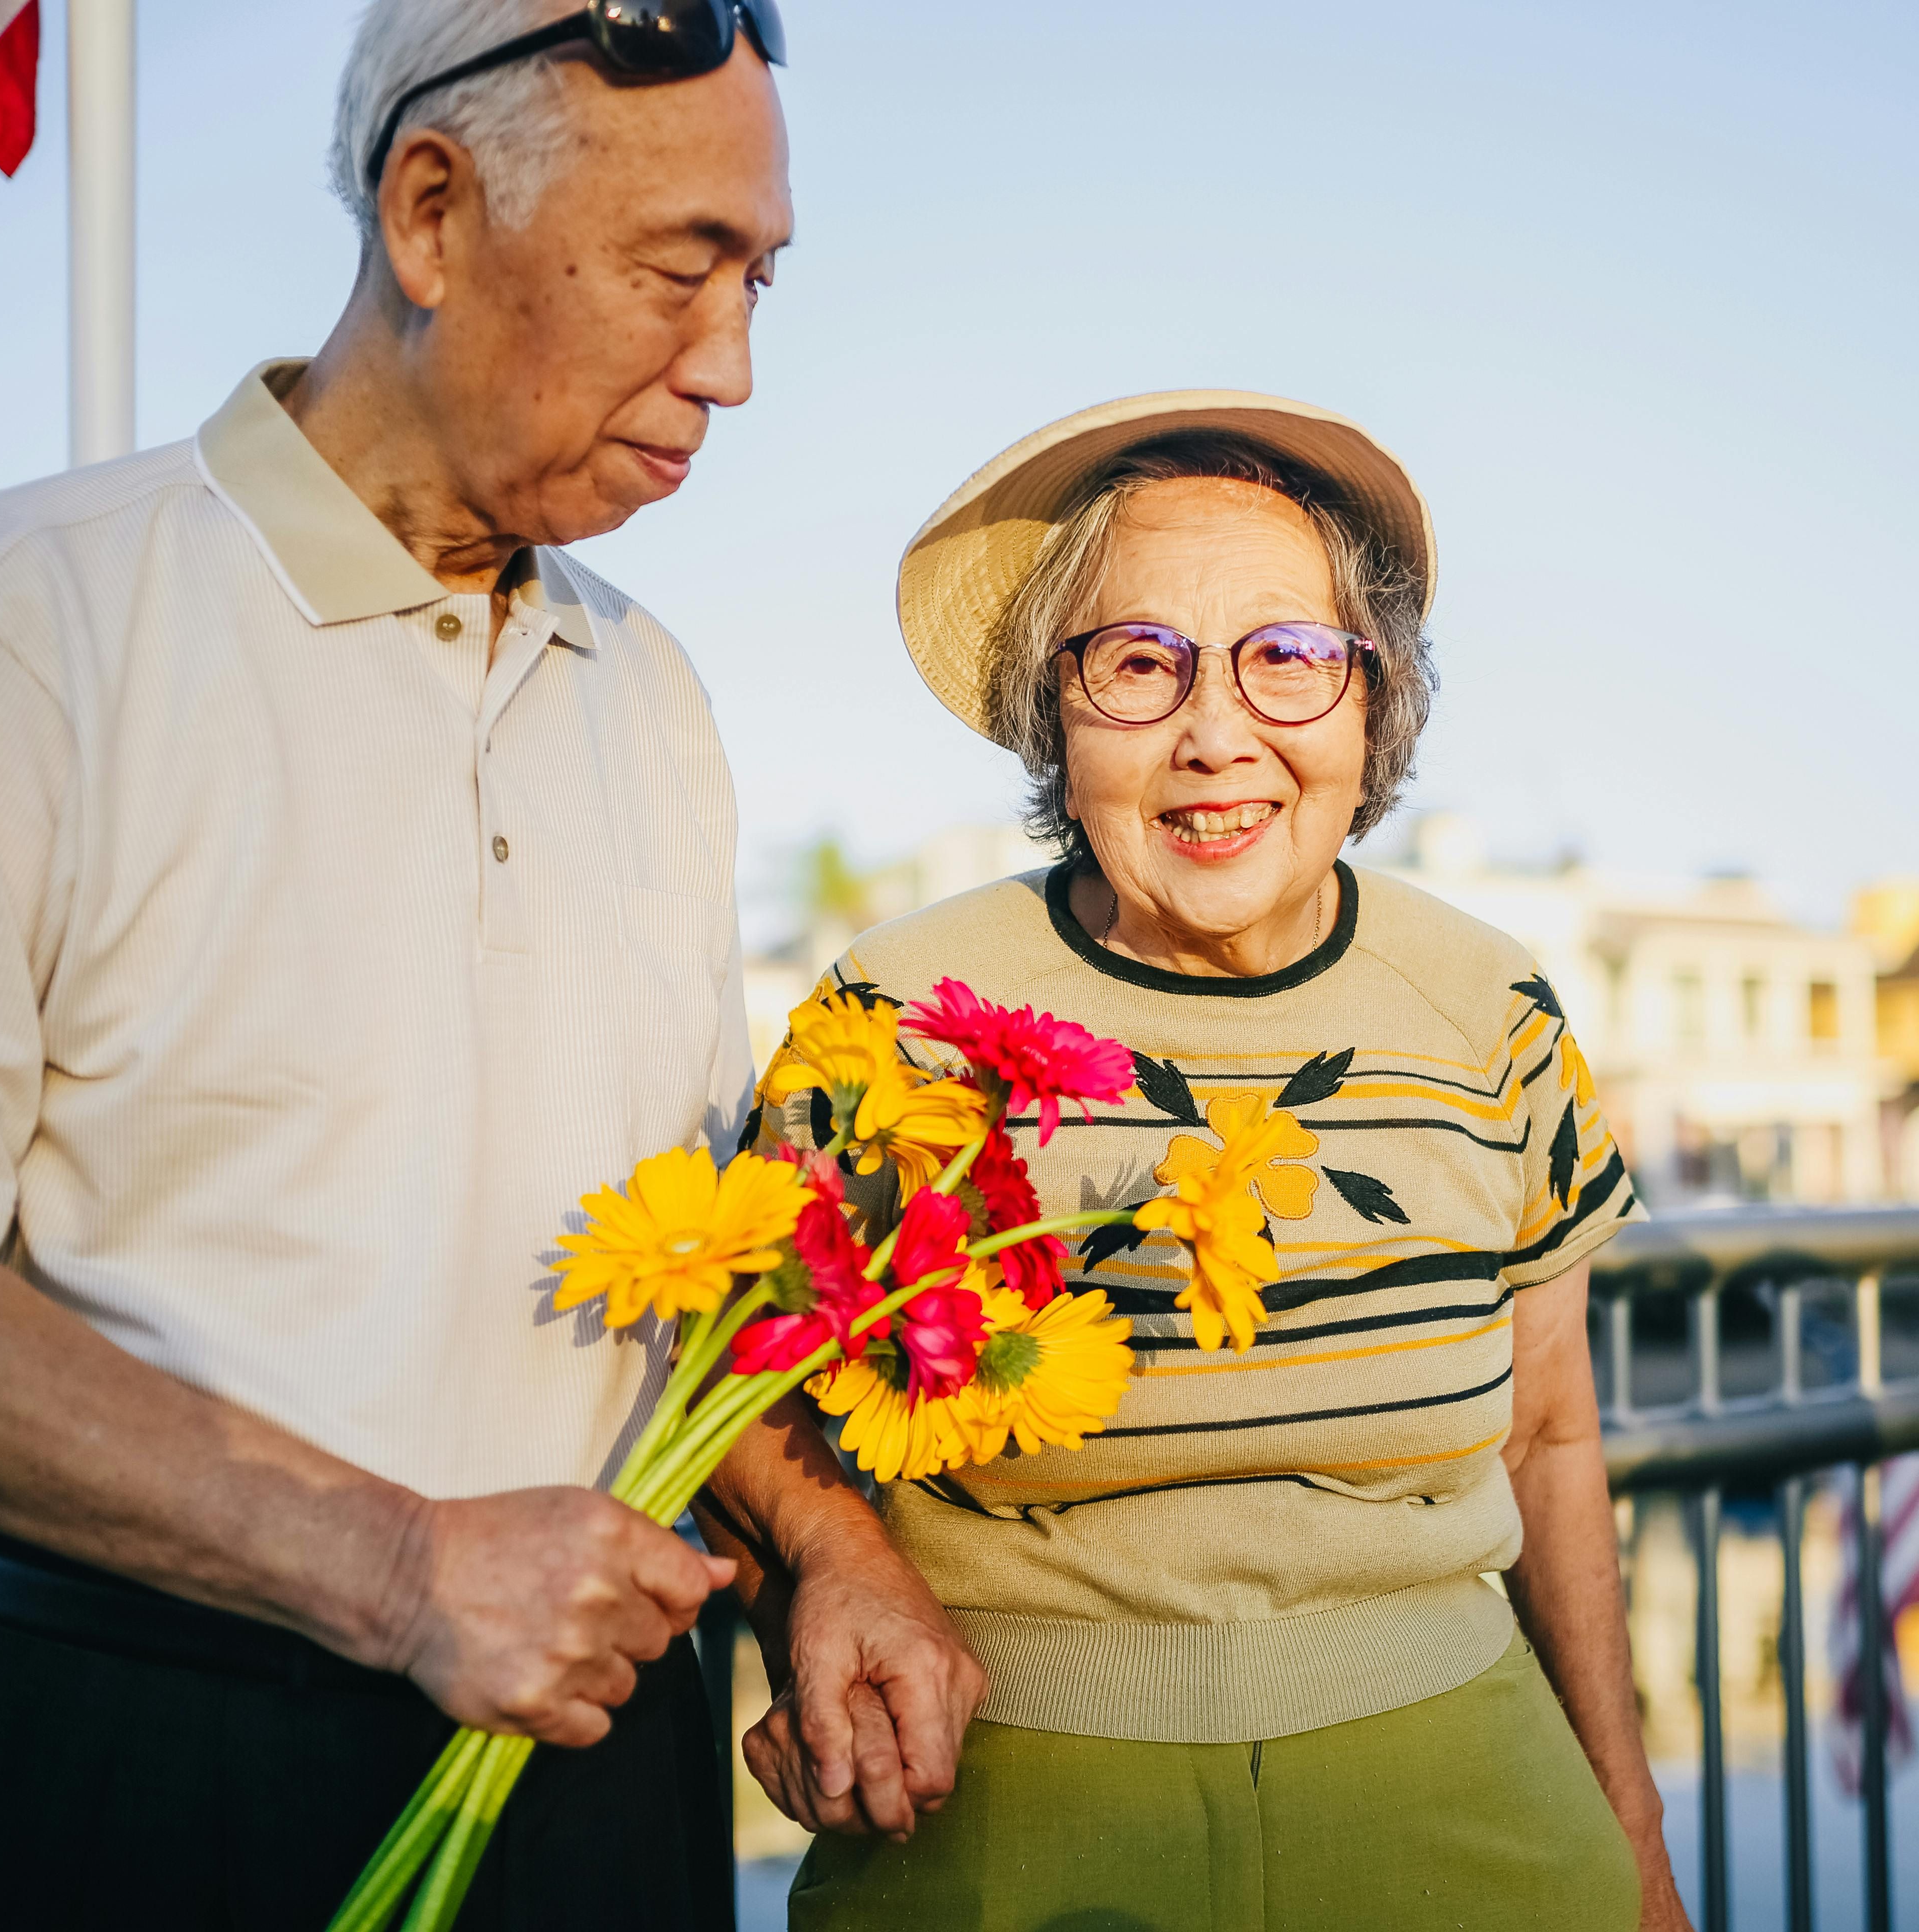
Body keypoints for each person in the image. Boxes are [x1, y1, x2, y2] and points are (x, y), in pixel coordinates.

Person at [0, 2, 963, 1922]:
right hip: (134, 1763)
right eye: (678, 273)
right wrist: (398, 1572)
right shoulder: (15, 615)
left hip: (598, 1762)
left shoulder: (653, 691)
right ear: (430, 211)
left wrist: (833, 1550)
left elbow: (686, 1273)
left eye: (761, 285)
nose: (731, 367)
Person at [724, 393, 1697, 1932]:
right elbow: (743, 1393)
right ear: (1057, 715)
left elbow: (1550, 1437)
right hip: (1000, 1812)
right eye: (1138, 663)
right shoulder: (897, 1015)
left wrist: (1630, 1828)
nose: (1215, 731)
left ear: (1377, 702)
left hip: (1471, 1808)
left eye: (1289, 657)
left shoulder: (1491, 1002)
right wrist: (807, 1621)